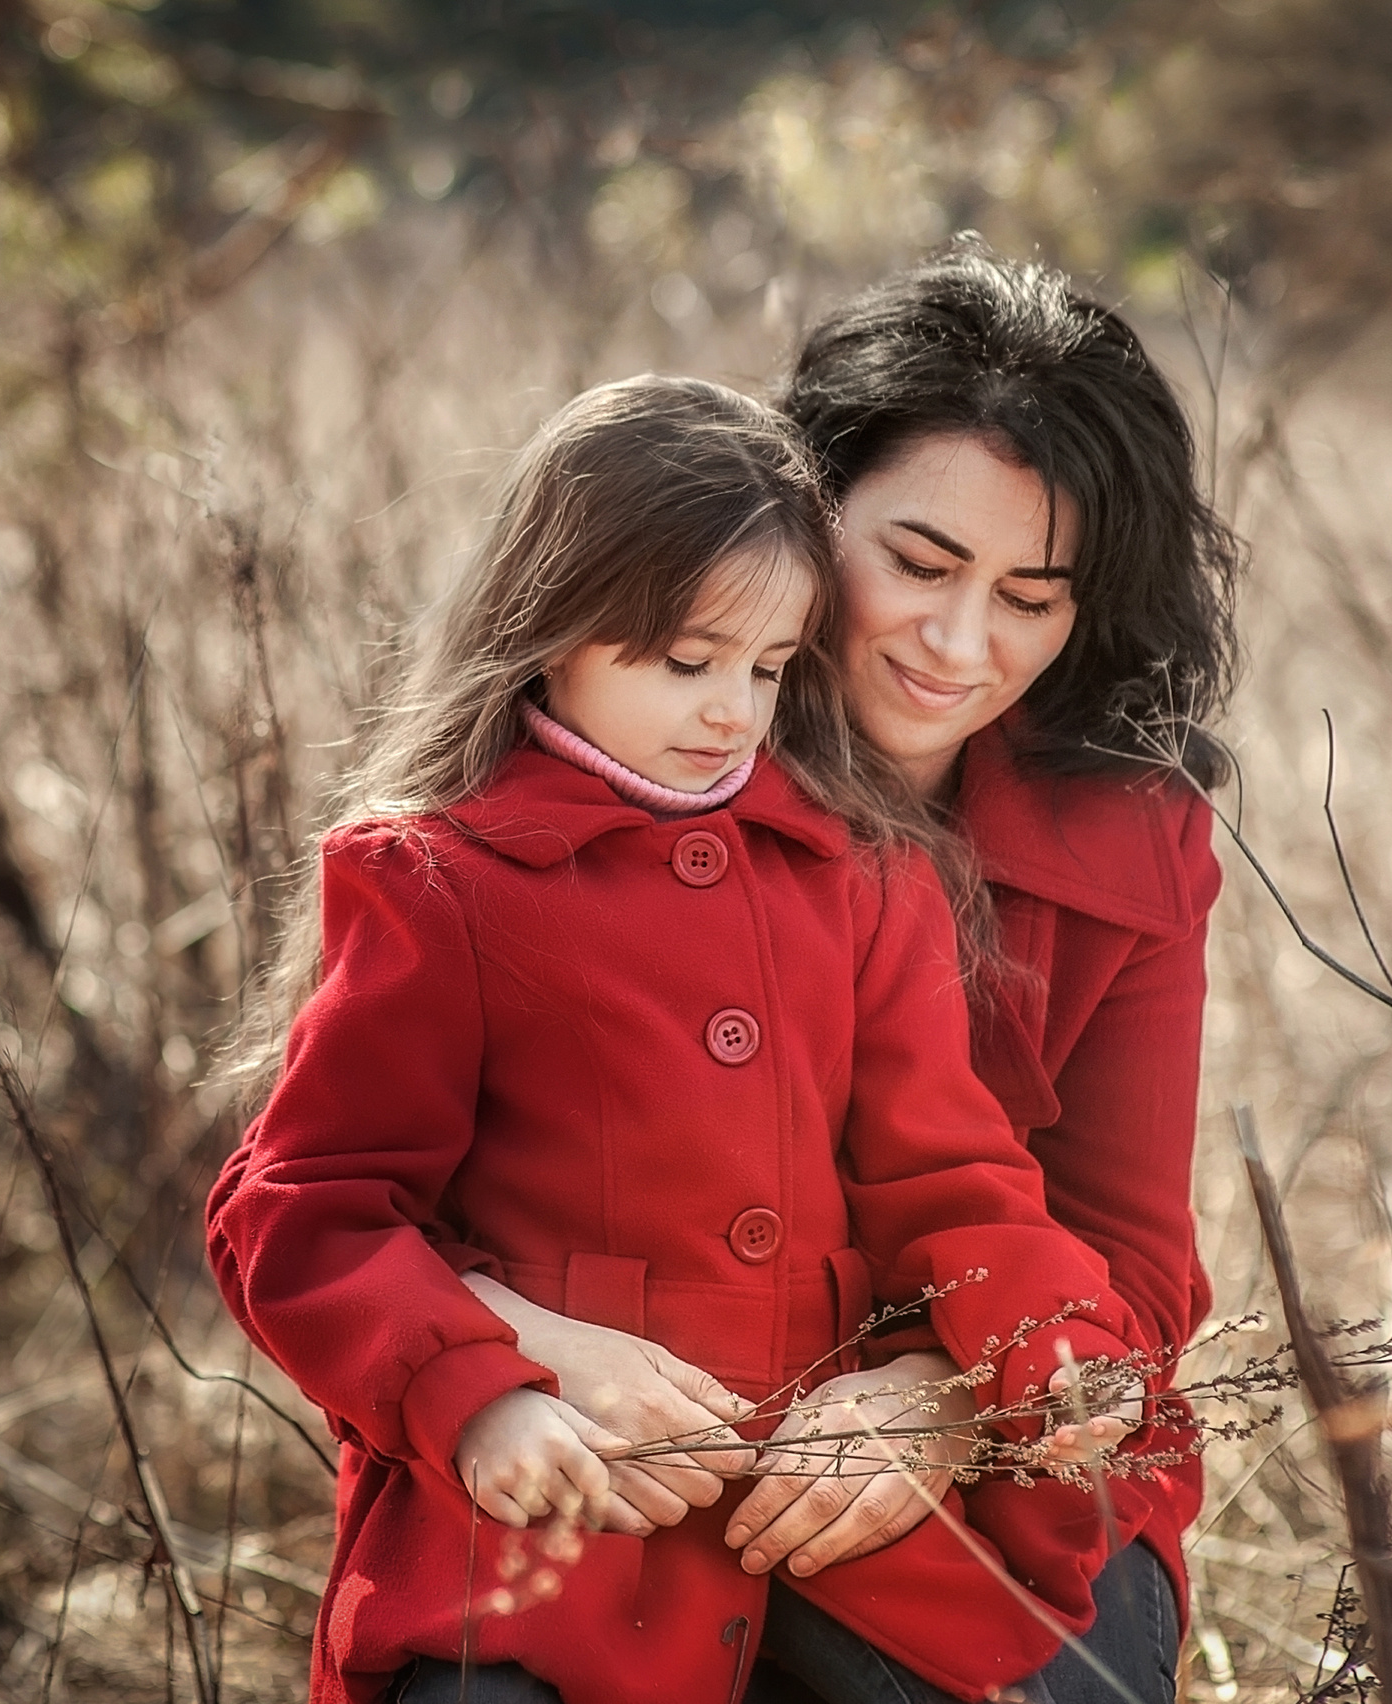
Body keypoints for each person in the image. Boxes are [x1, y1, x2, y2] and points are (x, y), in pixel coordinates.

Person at [205, 374, 1148, 1704]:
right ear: (555, 629)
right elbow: (307, 1213)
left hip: (823, 1508)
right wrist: (488, 1397)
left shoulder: (863, 875)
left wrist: (1051, 1347)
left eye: (769, 670)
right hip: (553, 1514)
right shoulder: (441, 879)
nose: (730, 713)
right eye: (686, 662)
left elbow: (950, 1173)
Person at [474, 247, 1240, 1704]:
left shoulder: (1130, 837)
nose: (963, 646)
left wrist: (946, 1404)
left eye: (1034, 594)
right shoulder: (600, 746)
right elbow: (349, 1199)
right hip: (620, 1443)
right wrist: (543, 1358)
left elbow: (1132, 1265)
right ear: (803, 506)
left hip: (991, 1479)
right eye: (921, 562)